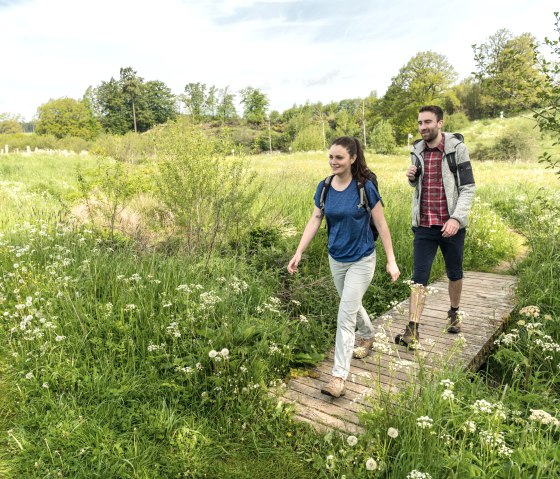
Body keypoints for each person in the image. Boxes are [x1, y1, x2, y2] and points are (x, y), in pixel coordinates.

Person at [287, 136, 400, 398]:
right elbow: (315, 219)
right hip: (335, 257)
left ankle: (338, 377)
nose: (333, 162)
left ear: (352, 158)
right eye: (330, 157)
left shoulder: (365, 187)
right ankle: (369, 333)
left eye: (339, 157)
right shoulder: (324, 187)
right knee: (350, 303)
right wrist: (299, 251)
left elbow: (381, 225)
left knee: (345, 315)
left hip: (362, 258)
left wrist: (391, 260)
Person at [396, 105, 475, 349]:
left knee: (454, 272)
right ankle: (413, 329)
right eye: (420, 123)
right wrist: (412, 178)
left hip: (451, 224)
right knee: (418, 277)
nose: (423, 127)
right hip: (424, 225)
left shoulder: (457, 150)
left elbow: (468, 188)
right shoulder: (416, 150)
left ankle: (453, 313)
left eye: (427, 122)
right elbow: (418, 187)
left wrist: (456, 219)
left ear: (440, 123)